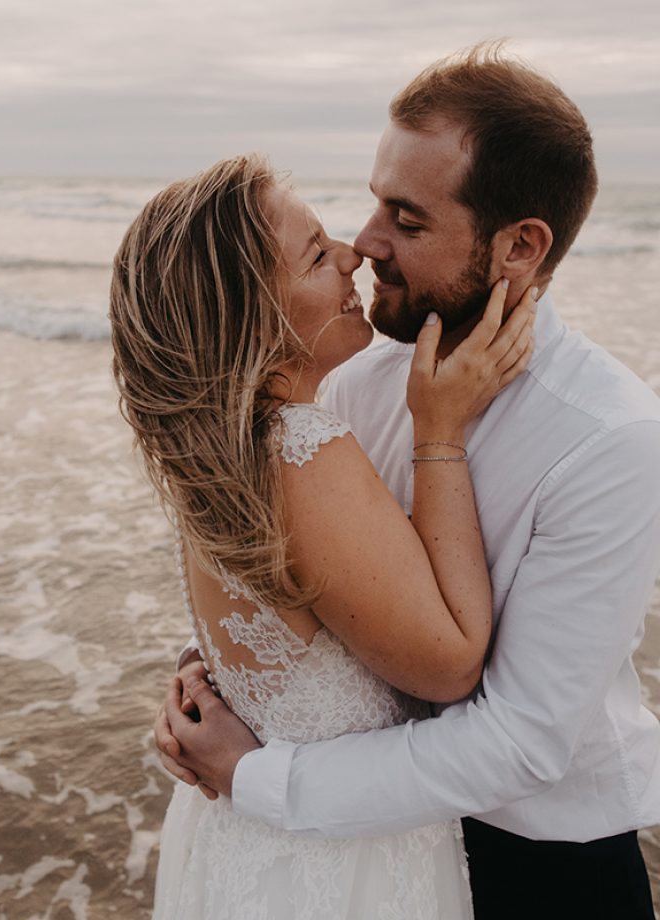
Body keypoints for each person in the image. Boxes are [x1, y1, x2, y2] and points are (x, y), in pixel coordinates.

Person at [157, 45, 660, 920]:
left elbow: (523, 743)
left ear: (520, 246)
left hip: (537, 860)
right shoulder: (349, 375)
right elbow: (311, 591)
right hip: (360, 851)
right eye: (373, 202)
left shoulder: (609, 438)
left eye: (408, 219)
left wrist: (257, 776)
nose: (365, 244)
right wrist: (222, 687)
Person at [111, 152, 536, 918]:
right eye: (315, 255)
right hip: (336, 871)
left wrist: (200, 677)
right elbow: (450, 665)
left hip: (248, 845)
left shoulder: (216, 451)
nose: (352, 255)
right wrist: (439, 428)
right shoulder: (301, 446)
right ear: (253, 315)